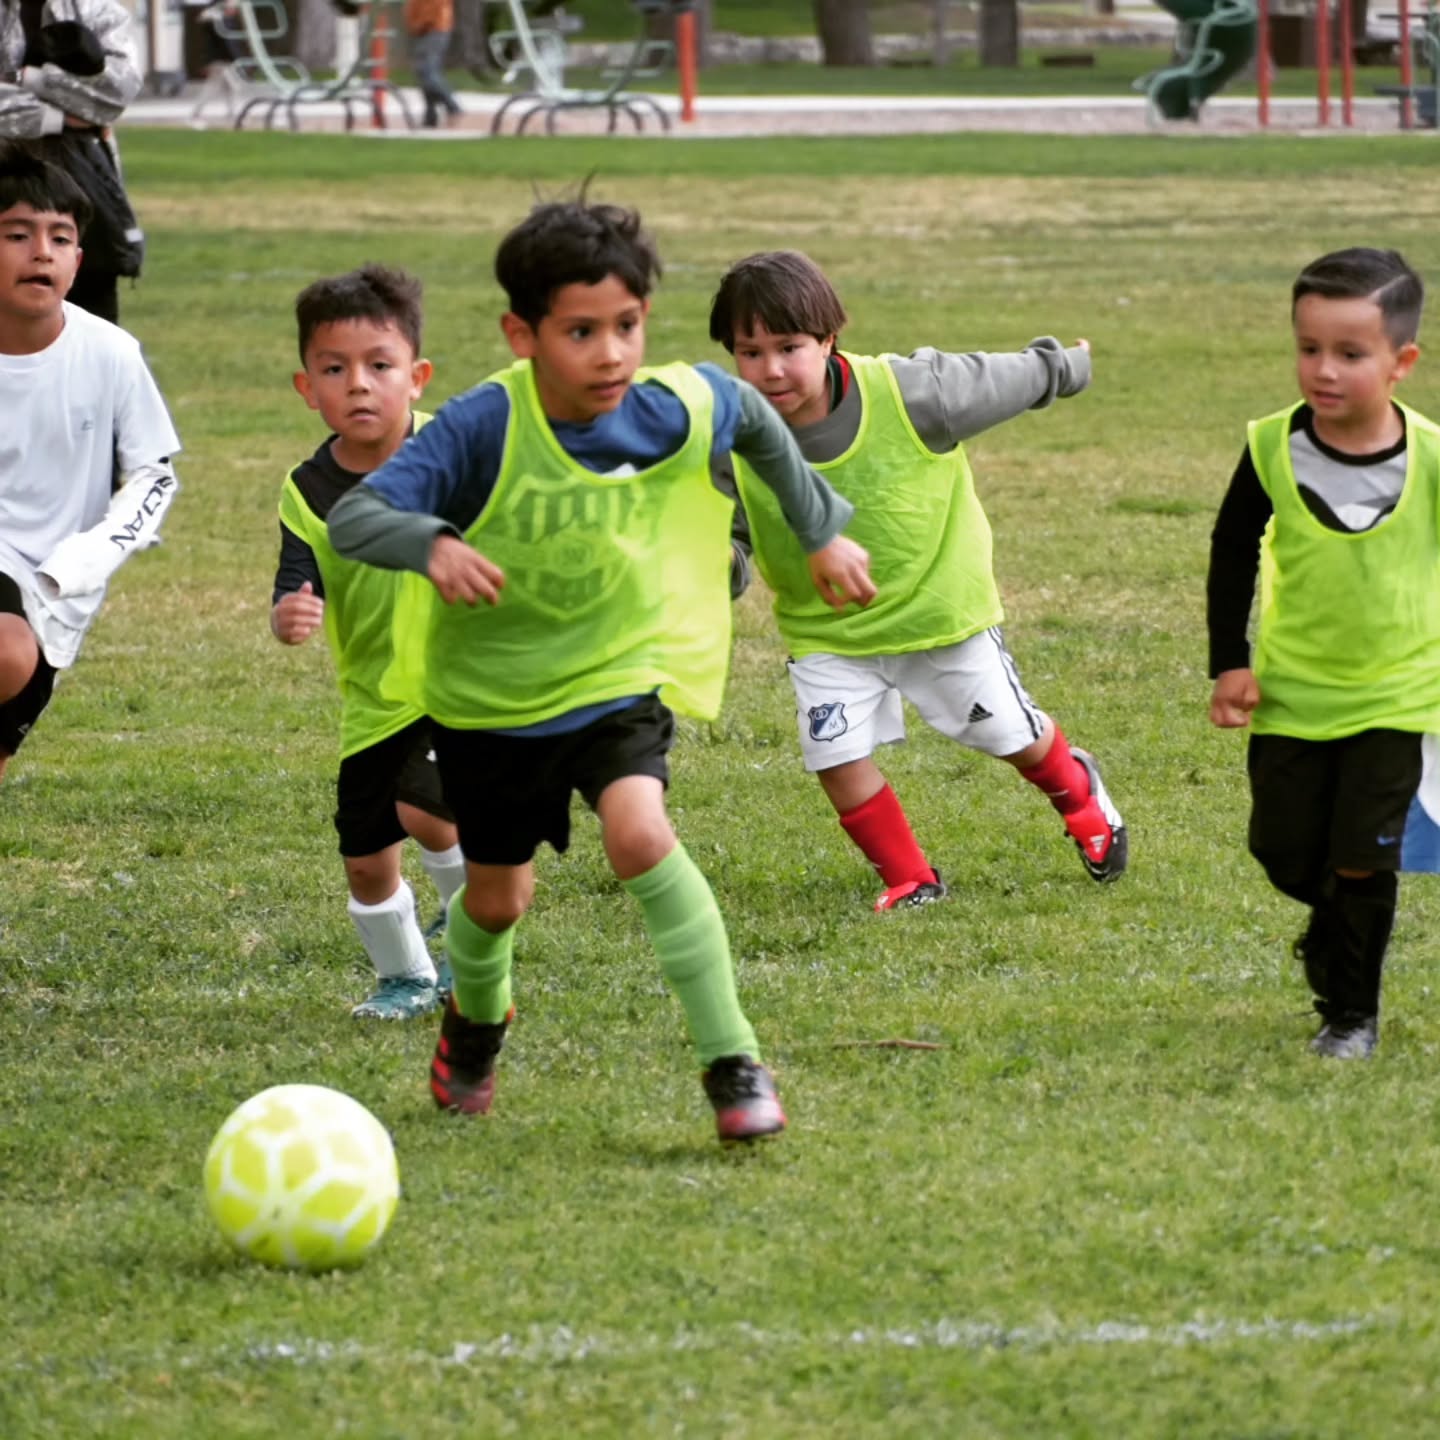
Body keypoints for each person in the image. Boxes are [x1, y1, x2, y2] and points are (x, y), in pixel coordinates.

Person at [327, 198, 876, 1144]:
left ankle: (732, 1060)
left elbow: (748, 413)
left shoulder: (663, 407)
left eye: (627, 327)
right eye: (582, 332)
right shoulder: (476, 428)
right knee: (498, 902)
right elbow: (356, 519)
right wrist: (430, 544)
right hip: (490, 707)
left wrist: (821, 530)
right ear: (523, 333)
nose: (612, 354)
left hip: (615, 678)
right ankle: (476, 1022)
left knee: (641, 834)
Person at [706, 250, 1127, 914]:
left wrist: (1066, 365)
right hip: (828, 631)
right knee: (834, 757)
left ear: (829, 339)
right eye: (749, 352)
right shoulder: (731, 436)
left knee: (1009, 737)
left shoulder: (913, 392)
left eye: (789, 347)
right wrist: (717, 572)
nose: (771, 369)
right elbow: (730, 531)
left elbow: (1007, 378)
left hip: (940, 618)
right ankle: (911, 878)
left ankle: (1077, 791)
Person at [1208, 246, 1440, 1061]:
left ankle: (1352, 1015)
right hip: (1292, 695)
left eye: (1350, 353)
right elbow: (1233, 548)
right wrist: (1227, 662)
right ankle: (1331, 924)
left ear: (1401, 361)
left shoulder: (1434, 458)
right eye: (1309, 349)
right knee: (1284, 852)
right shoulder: (1272, 445)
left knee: (1363, 856)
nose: (1324, 370)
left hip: (1399, 695)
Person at [272, 263, 466, 1021]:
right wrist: (290, 613)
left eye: (379, 366)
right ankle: (407, 976)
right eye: (335, 368)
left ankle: (472, 930)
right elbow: (297, 578)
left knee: (431, 811)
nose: (358, 384)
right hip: (371, 699)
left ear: (416, 377)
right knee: (364, 859)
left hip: (455, 688)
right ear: (306, 386)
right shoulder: (306, 489)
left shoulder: (452, 454)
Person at [0, 145, 178, 783]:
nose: (40, 251)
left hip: (58, 591)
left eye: (60, 237)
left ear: (79, 258)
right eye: (17, 234)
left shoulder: (110, 353)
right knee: (6, 648)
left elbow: (155, 477)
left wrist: (87, 558)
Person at [0, 0, 144, 323]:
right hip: (5, 191)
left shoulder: (94, 8)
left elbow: (119, 89)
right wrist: (62, 117)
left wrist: (30, 80)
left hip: (85, 198)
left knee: (92, 338)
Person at [404, 0, 460, 129]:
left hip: (434, 28)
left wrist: (419, 24)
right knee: (424, 73)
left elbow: (433, 8)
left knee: (427, 71)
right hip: (424, 29)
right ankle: (431, 115)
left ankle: (452, 106)